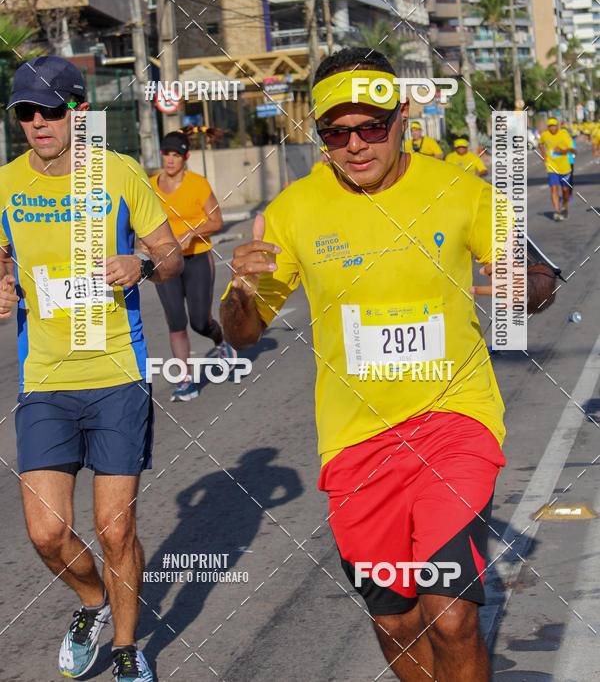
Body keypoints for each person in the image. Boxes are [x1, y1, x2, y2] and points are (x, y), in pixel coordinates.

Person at [220, 47, 556, 682]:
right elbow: (243, 334)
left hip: (455, 421)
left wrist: (527, 286)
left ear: (404, 116)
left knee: (451, 614)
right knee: (397, 622)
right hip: (356, 444)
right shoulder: (294, 211)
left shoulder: (459, 190)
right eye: (336, 132)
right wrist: (239, 293)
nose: (355, 145)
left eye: (371, 126)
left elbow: (538, 272)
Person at [0, 56, 184, 682]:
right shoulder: (5, 184)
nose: (38, 122)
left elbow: (172, 254)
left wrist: (141, 263)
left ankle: (129, 649)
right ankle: (92, 601)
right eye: (25, 112)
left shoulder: (118, 173)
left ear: (78, 112)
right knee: (48, 533)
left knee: (116, 529)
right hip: (46, 381)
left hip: (116, 376)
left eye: (50, 110)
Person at [149, 131, 236, 402]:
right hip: (164, 262)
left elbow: (216, 221)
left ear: (185, 157)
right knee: (175, 320)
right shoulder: (149, 185)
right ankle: (186, 381)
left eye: (176, 155)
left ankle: (221, 342)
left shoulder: (197, 184)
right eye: (167, 153)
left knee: (199, 321)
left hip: (197, 257)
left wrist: (191, 234)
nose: (170, 160)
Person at [538, 117, 575, 221]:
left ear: (557, 126)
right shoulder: (545, 135)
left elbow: (573, 149)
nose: (552, 128)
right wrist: (543, 154)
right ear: (548, 127)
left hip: (564, 167)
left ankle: (564, 207)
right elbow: (540, 143)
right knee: (554, 188)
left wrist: (562, 150)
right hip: (551, 166)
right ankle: (557, 212)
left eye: (554, 125)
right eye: (550, 126)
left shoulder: (564, 134)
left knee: (565, 190)